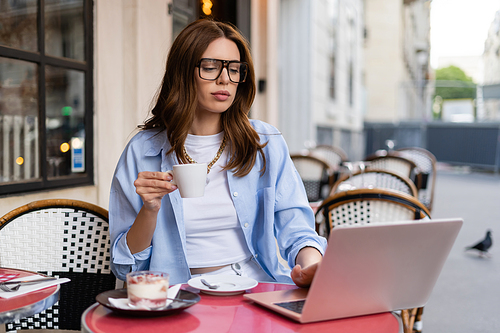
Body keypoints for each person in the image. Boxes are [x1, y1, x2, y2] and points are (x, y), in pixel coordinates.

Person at [109, 19, 327, 288]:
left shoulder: (264, 143)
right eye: (210, 67)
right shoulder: (143, 151)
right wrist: (150, 210)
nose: (225, 79)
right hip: (178, 293)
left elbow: (296, 227)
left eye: (235, 70)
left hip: (252, 287)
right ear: (183, 72)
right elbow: (125, 266)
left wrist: (312, 267)